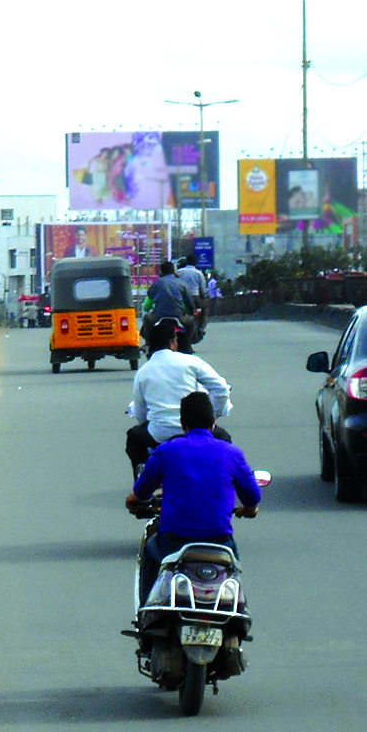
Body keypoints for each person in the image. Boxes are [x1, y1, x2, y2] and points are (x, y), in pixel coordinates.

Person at [125, 391, 261, 609]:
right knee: (233, 568)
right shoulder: (231, 453)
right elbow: (253, 497)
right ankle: (237, 611)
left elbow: (142, 490)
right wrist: (249, 509)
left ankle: (146, 611)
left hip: (173, 542)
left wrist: (133, 499)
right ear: (213, 422)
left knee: (150, 551)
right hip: (219, 541)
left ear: (182, 423)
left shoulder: (166, 451)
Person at [125, 316, 232, 474]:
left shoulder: (143, 372)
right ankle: (225, 478)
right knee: (224, 439)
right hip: (195, 428)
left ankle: (143, 481)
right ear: (172, 342)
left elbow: (141, 415)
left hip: (159, 433)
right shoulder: (191, 362)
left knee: (134, 438)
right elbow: (221, 389)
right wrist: (213, 416)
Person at [142, 261, 197, 352]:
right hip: (178, 315)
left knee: (147, 318)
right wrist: (192, 312)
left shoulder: (156, 283)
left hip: (158, 315)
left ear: (161, 272)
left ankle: (148, 343)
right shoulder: (182, 283)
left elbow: (149, 298)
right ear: (174, 271)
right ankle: (188, 345)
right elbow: (189, 302)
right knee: (191, 322)